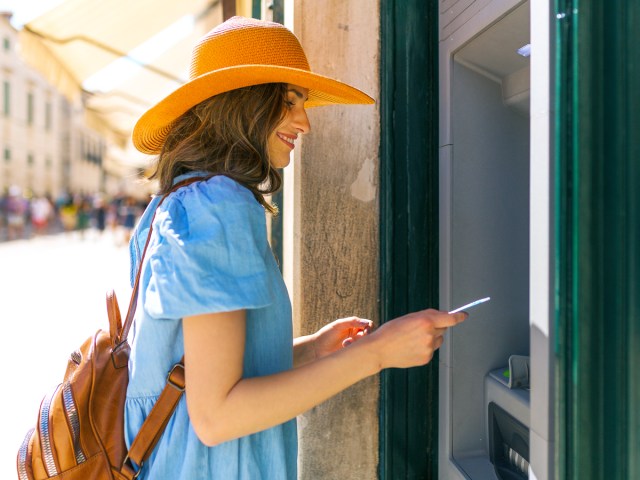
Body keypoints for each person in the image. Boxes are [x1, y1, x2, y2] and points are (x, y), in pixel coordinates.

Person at [125, 16, 467, 480]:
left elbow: (201, 370)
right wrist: (379, 353)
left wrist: (311, 351)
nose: (304, 122)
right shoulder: (218, 206)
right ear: (242, 104)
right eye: (289, 102)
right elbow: (216, 416)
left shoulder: (178, 202)